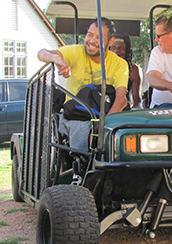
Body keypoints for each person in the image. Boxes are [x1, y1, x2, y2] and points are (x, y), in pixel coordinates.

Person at [37, 17, 129, 151]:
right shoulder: (76, 52)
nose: (91, 41)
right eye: (89, 35)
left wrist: (103, 127)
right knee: (82, 130)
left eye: (99, 37)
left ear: (110, 41)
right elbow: (41, 53)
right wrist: (57, 60)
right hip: (76, 117)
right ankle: (82, 169)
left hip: (105, 117)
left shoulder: (120, 64)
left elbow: (121, 99)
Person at [110, 34, 142, 108]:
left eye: (120, 48)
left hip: (124, 110)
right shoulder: (103, 67)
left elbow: (137, 102)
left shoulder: (133, 70)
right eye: (113, 47)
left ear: (127, 50)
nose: (116, 51)